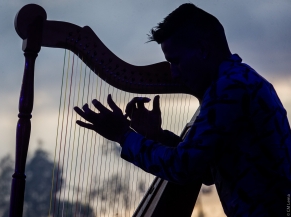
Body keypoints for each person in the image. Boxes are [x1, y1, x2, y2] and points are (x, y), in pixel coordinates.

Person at [74, 3, 291, 216]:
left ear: (204, 50)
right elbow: (205, 171)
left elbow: (184, 167)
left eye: (175, 61)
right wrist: (156, 135)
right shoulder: (237, 80)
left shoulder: (230, 89)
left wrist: (122, 135)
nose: (174, 73)